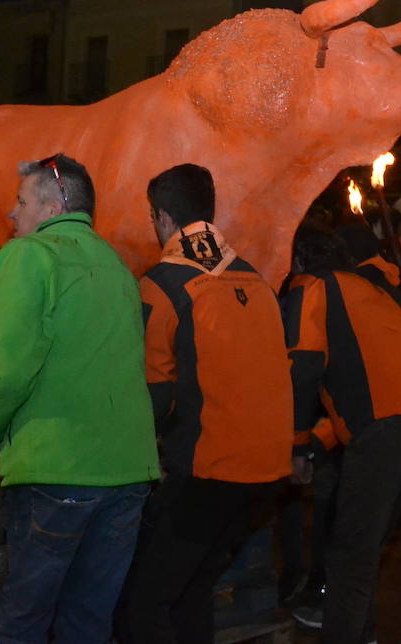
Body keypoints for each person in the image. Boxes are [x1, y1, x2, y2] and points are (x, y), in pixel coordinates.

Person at [0, 154, 159, 643]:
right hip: (127, 472)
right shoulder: (115, 264)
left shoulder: (29, 255)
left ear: (53, 207)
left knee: (26, 619)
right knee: (88, 621)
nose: (12, 214)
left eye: (21, 201)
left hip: (58, 470)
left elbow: (11, 362)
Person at [122, 164, 292, 642]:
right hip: (268, 470)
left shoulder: (161, 283)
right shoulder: (255, 277)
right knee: (192, 587)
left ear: (160, 216)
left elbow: (154, 393)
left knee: (144, 600)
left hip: (210, 467)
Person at [284, 225, 401, 641]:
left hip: (385, 431)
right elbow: (363, 391)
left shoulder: (314, 285)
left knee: (350, 556)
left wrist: (297, 444)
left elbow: (303, 368)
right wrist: (316, 441)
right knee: (364, 548)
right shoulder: (372, 291)